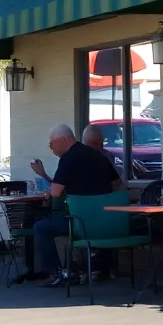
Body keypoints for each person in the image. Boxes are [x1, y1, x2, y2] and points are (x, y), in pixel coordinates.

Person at [31, 123, 121, 287]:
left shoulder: (68, 159)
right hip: (108, 222)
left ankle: (56, 273)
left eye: (51, 143)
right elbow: (117, 185)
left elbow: (56, 193)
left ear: (64, 140)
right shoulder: (97, 155)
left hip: (81, 224)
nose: (51, 148)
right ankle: (95, 268)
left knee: (42, 227)